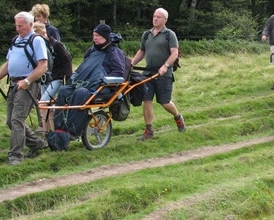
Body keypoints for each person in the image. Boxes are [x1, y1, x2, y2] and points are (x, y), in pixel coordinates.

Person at [0, 12, 49, 166]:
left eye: (20, 26)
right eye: (16, 26)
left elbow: (43, 66)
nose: (18, 29)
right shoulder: (16, 40)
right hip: (14, 84)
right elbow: (9, 63)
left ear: (30, 25)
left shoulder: (37, 41)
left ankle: (15, 156)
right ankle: (37, 143)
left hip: (28, 85)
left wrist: (27, 80)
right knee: (11, 120)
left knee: (17, 120)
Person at [53, 23, 126, 138]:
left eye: (98, 36)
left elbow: (118, 72)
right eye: (94, 35)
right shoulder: (91, 50)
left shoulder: (114, 52)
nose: (95, 38)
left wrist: (101, 80)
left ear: (106, 37)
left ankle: (72, 131)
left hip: (104, 88)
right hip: (85, 84)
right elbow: (85, 67)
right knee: (63, 90)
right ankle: (59, 129)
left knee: (80, 93)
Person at [131, 8, 186, 140]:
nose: (155, 19)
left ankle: (178, 117)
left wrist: (166, 66)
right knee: (146, 100)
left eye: (159, 17)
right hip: (148, 73)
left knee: (164, 102)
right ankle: (149, 131)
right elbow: (141, 51)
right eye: (154, 16)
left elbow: (174, 53)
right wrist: (131, 63)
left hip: (164, 74)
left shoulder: (169, 35)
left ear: (165, 20)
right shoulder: (146, 34)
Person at [33, 21, 73, 133]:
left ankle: (52, 132)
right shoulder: (39, 47)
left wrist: (69, 79)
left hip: (56, 79)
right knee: (48, 107)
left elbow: (67, 61)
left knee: (43, 103)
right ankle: (49, 132)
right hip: (44, 80)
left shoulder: (56, 45)